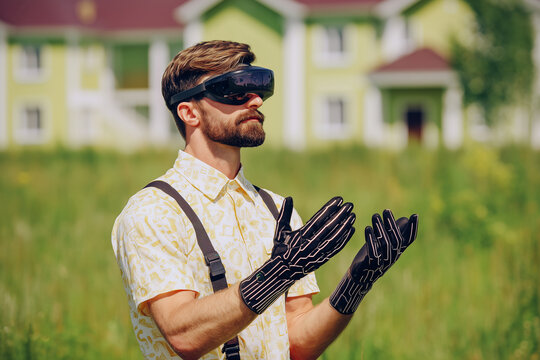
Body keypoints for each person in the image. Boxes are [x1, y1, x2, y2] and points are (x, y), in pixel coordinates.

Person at [112, 40, 418, 360]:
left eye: (259, 87)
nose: (255, 100)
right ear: (189, 112)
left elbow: (297, 342)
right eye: (234, 90)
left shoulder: (275, 210)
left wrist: (355, 284)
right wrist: (279, 271)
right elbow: (183, 333)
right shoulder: (153, 211)